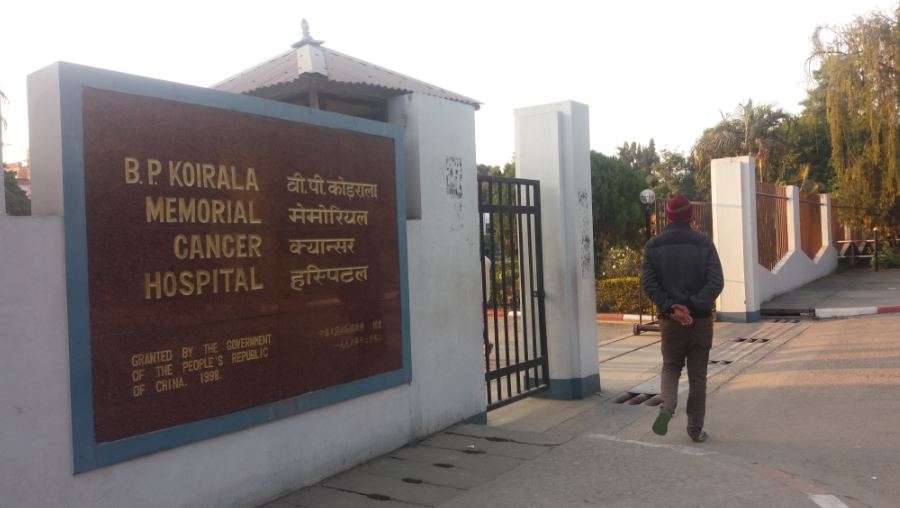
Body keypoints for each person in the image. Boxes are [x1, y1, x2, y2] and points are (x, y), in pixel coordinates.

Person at [640, 195, 723, 443]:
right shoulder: (704, 243)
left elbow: (649, 282)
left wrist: (671, 308)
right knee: (697, 376)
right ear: (691, 216)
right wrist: (691, 305)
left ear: (667, 216)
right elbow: (716, 282)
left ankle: (667, 405)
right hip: (700, 321)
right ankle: (695, 429)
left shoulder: (653, 246)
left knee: (671, 366)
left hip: (670, 321)